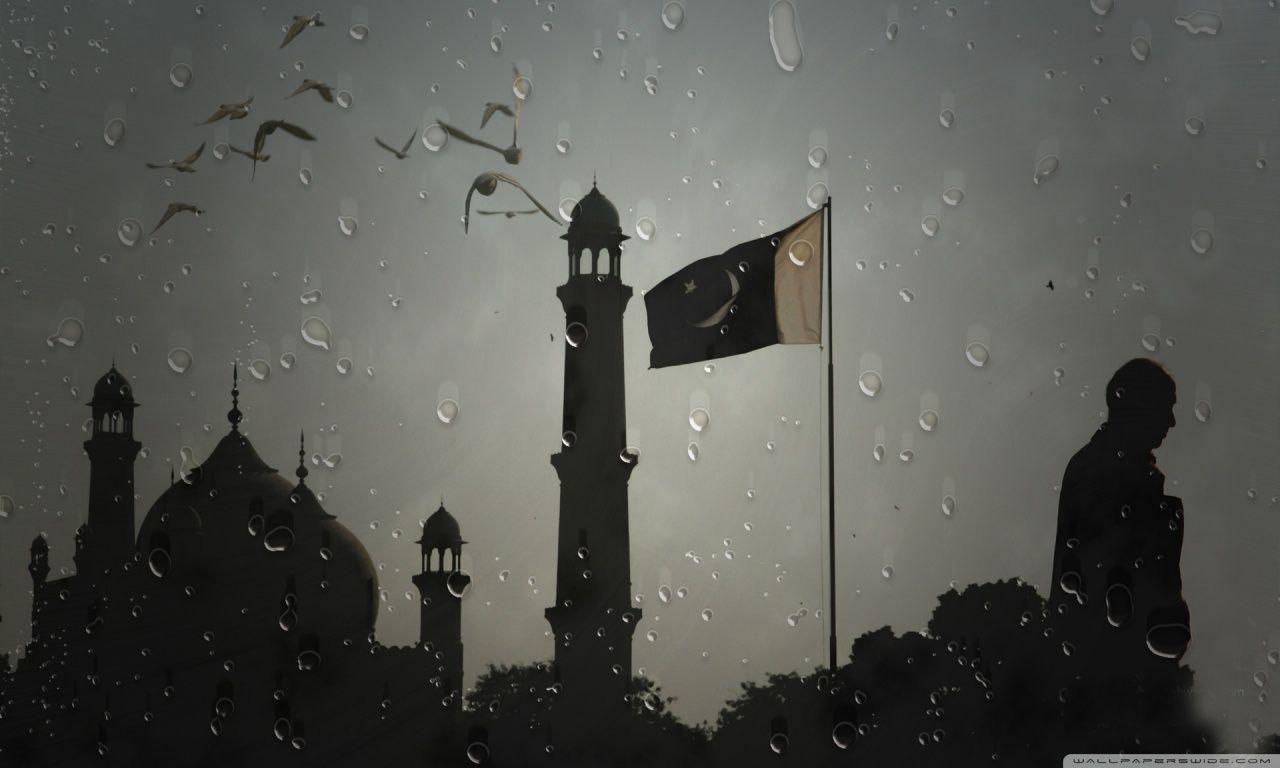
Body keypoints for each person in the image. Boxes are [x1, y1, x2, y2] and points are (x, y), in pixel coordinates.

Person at [1049, 358, 1191, 665]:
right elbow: (1105, 575)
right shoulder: (1100, 470)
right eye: (1166, 407)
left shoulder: (1104, 467)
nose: (1171, 421)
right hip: (1105, 668)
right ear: (1140, 406)